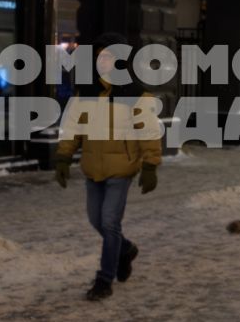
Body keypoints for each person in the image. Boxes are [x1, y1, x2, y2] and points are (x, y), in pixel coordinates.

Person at [54, 33, 161, 301]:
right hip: (93, 167)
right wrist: (64, 158)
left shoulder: (136, 94)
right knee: (96, 220)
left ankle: (104, 280)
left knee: (110, 222)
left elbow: (149, 132)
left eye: (110, 56)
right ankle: (125, 250)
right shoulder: (86, 91)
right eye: (101, 56)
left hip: (121, 168)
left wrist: (150, 165)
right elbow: (73, 128)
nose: (104, 61)